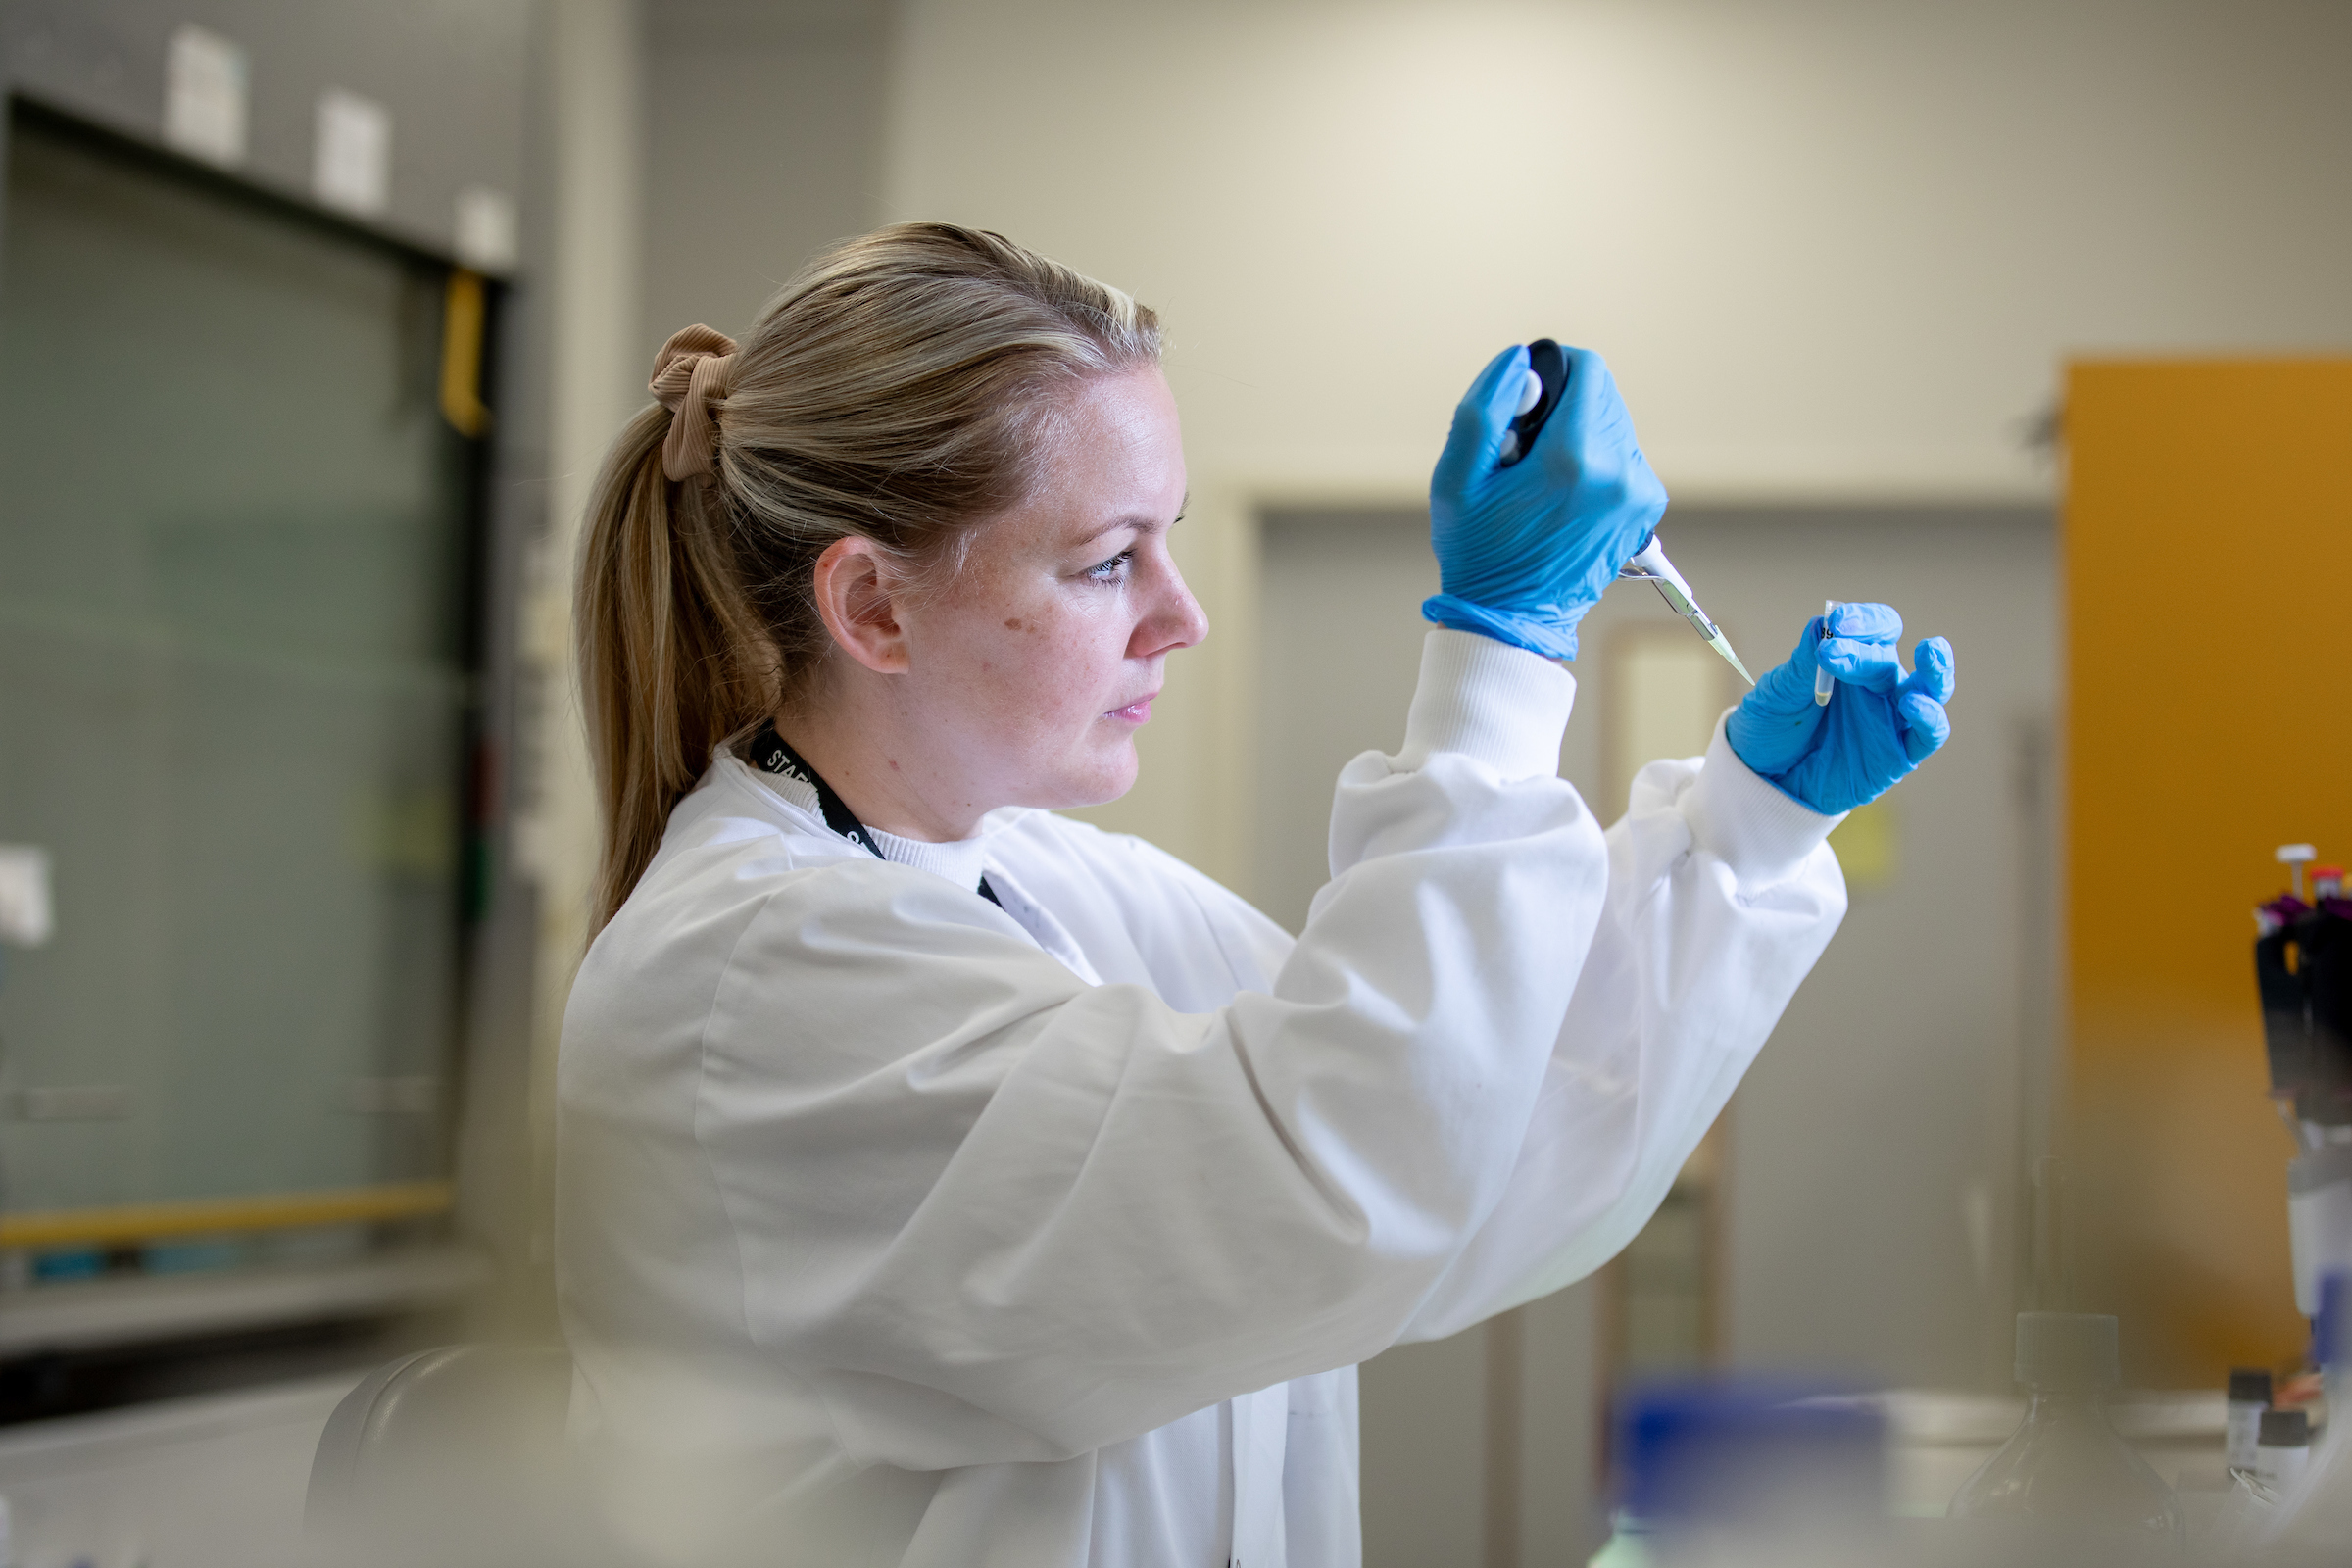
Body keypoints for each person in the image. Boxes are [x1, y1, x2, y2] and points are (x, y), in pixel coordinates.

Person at [556, 223, 1954, 1568]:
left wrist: (1747, 829)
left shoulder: (1050, 888)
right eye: (1110, 559)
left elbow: (1471, 1142)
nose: (1182, 613)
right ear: (872, 609)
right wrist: (1499, 658)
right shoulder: (751, 984)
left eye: (1166, 540)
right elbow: (1343, 1175)